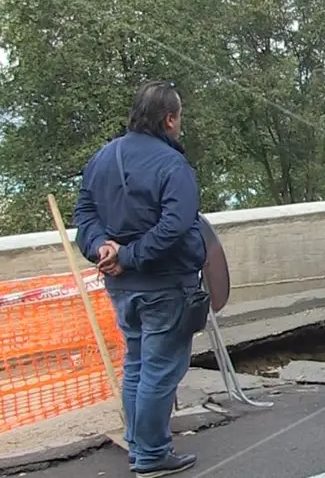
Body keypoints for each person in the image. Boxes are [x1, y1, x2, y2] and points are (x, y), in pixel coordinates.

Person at [73, 81, 204, 477]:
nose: (179, 126)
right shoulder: (172, 164)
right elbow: (176, 225)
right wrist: (127, 257)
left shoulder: (103, 158)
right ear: (169, 119)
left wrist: (102, 250)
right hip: (164, 284)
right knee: (160, 371)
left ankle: (139, 447)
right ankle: (151, 455)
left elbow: (84, 213)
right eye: (179, 118)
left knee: (137, 366)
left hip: (122, 286)